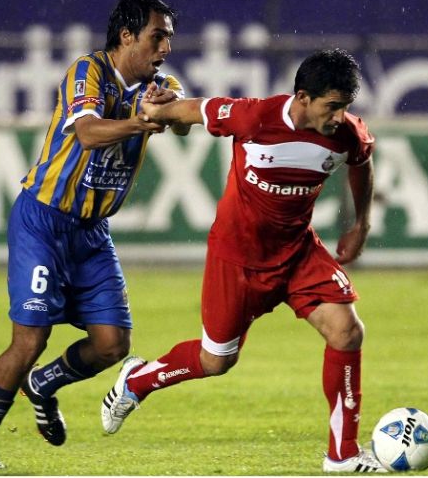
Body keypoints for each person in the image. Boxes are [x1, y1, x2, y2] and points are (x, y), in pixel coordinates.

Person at [100, 48, 386, 473]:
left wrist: (360, 223)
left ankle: (342, 454)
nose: (340, 116)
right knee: (216, 361)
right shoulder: (254, 119)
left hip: (297, 252)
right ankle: (138, 380)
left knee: (346, 331)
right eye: (332, 106)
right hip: (237, 258)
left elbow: (361, 163)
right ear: (303, 97)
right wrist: (158, 109)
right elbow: (191, 110)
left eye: (346, 107)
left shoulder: (346, 134)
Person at [0, 0, 189, 469]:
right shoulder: (89, 71)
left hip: (92, 232)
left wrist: (171, 111)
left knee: (112, 345)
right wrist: (142, 123)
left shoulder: (159, 83)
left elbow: (178, 123)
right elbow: (86, 133)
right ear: (128, 36)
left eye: (168, 37)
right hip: (42, 220)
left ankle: (44, 384)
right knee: (29, 340)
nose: (166, 46)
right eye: (157, 35)